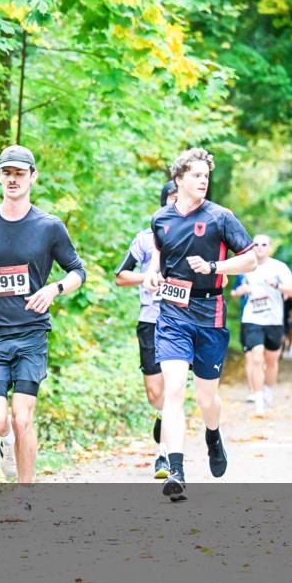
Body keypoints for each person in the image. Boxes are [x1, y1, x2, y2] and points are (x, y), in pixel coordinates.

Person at [0, 145, 86, 502]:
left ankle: (26, 497)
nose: (13, 179)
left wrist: (53, 290)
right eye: (7, 172)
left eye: (20, 173)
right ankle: (5, 442)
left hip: (31, 334)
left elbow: (77, 272)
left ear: (33, 177)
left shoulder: (49, 226)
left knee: (23, 417)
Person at [142, 147, 257, 501]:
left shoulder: (222, 217)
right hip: (173, 316)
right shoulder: (161, 219)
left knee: (207, 399)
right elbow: (159, 258)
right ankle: (175, 468)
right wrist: (151, 274)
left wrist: (215, 268)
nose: (203, 180)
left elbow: (250, 260)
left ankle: (212, 434)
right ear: (179, 180)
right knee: (174, 390)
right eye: (196, 175)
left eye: (206, 175)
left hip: (211, 315)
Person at [114, 181, 176, 478]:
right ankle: (163, 413)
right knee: (155, 392)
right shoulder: (146, 239)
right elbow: (121, 276)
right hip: (151, 320)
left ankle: (164, 456)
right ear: (164, 203)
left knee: (174, 387)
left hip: (182, 320)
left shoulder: (198, 237)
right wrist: (148, 279)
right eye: (174, 198)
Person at [230, 235, 292, 417]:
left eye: (264, 244)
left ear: (269, 248)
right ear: (252, 247)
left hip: (274, 320)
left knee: (271, 361)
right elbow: (234, 292)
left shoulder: (278, 267)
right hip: (252, 319)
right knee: (255, 357)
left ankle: (268, 392)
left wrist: (276, 285)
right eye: (256, 244)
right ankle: (259, 401)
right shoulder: (245, 267)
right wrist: (241, 291)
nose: (260, 247)